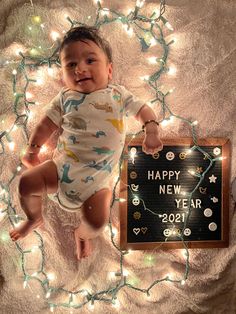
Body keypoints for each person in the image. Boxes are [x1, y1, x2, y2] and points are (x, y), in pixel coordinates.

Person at [9, 26, 163, 260]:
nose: (80, 68)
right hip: (59, 172)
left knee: (97, 221)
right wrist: (33, 149)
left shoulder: (118, 95)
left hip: (97, 185)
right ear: (63, 75)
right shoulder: (65, 98)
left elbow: (143, 109)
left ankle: (82, 234)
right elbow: (45, 125)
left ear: (109, 70)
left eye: (90, 60)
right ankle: (34, 217)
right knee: (26, 184)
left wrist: (151, 129)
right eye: (70, 64)